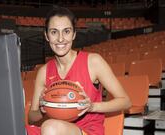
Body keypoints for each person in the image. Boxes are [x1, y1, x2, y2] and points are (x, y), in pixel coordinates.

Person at [26, 6, 131, 135]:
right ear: (47, 36)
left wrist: (92, 106)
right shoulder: (43, 72)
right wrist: (43, 110)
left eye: (66, 31)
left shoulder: (93, 62)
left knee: (50, 128)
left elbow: (126, 101)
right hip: (54, 129)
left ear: (74, 34)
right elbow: (31, 117)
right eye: (54, 32)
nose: (60, 39)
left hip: (87, 131)